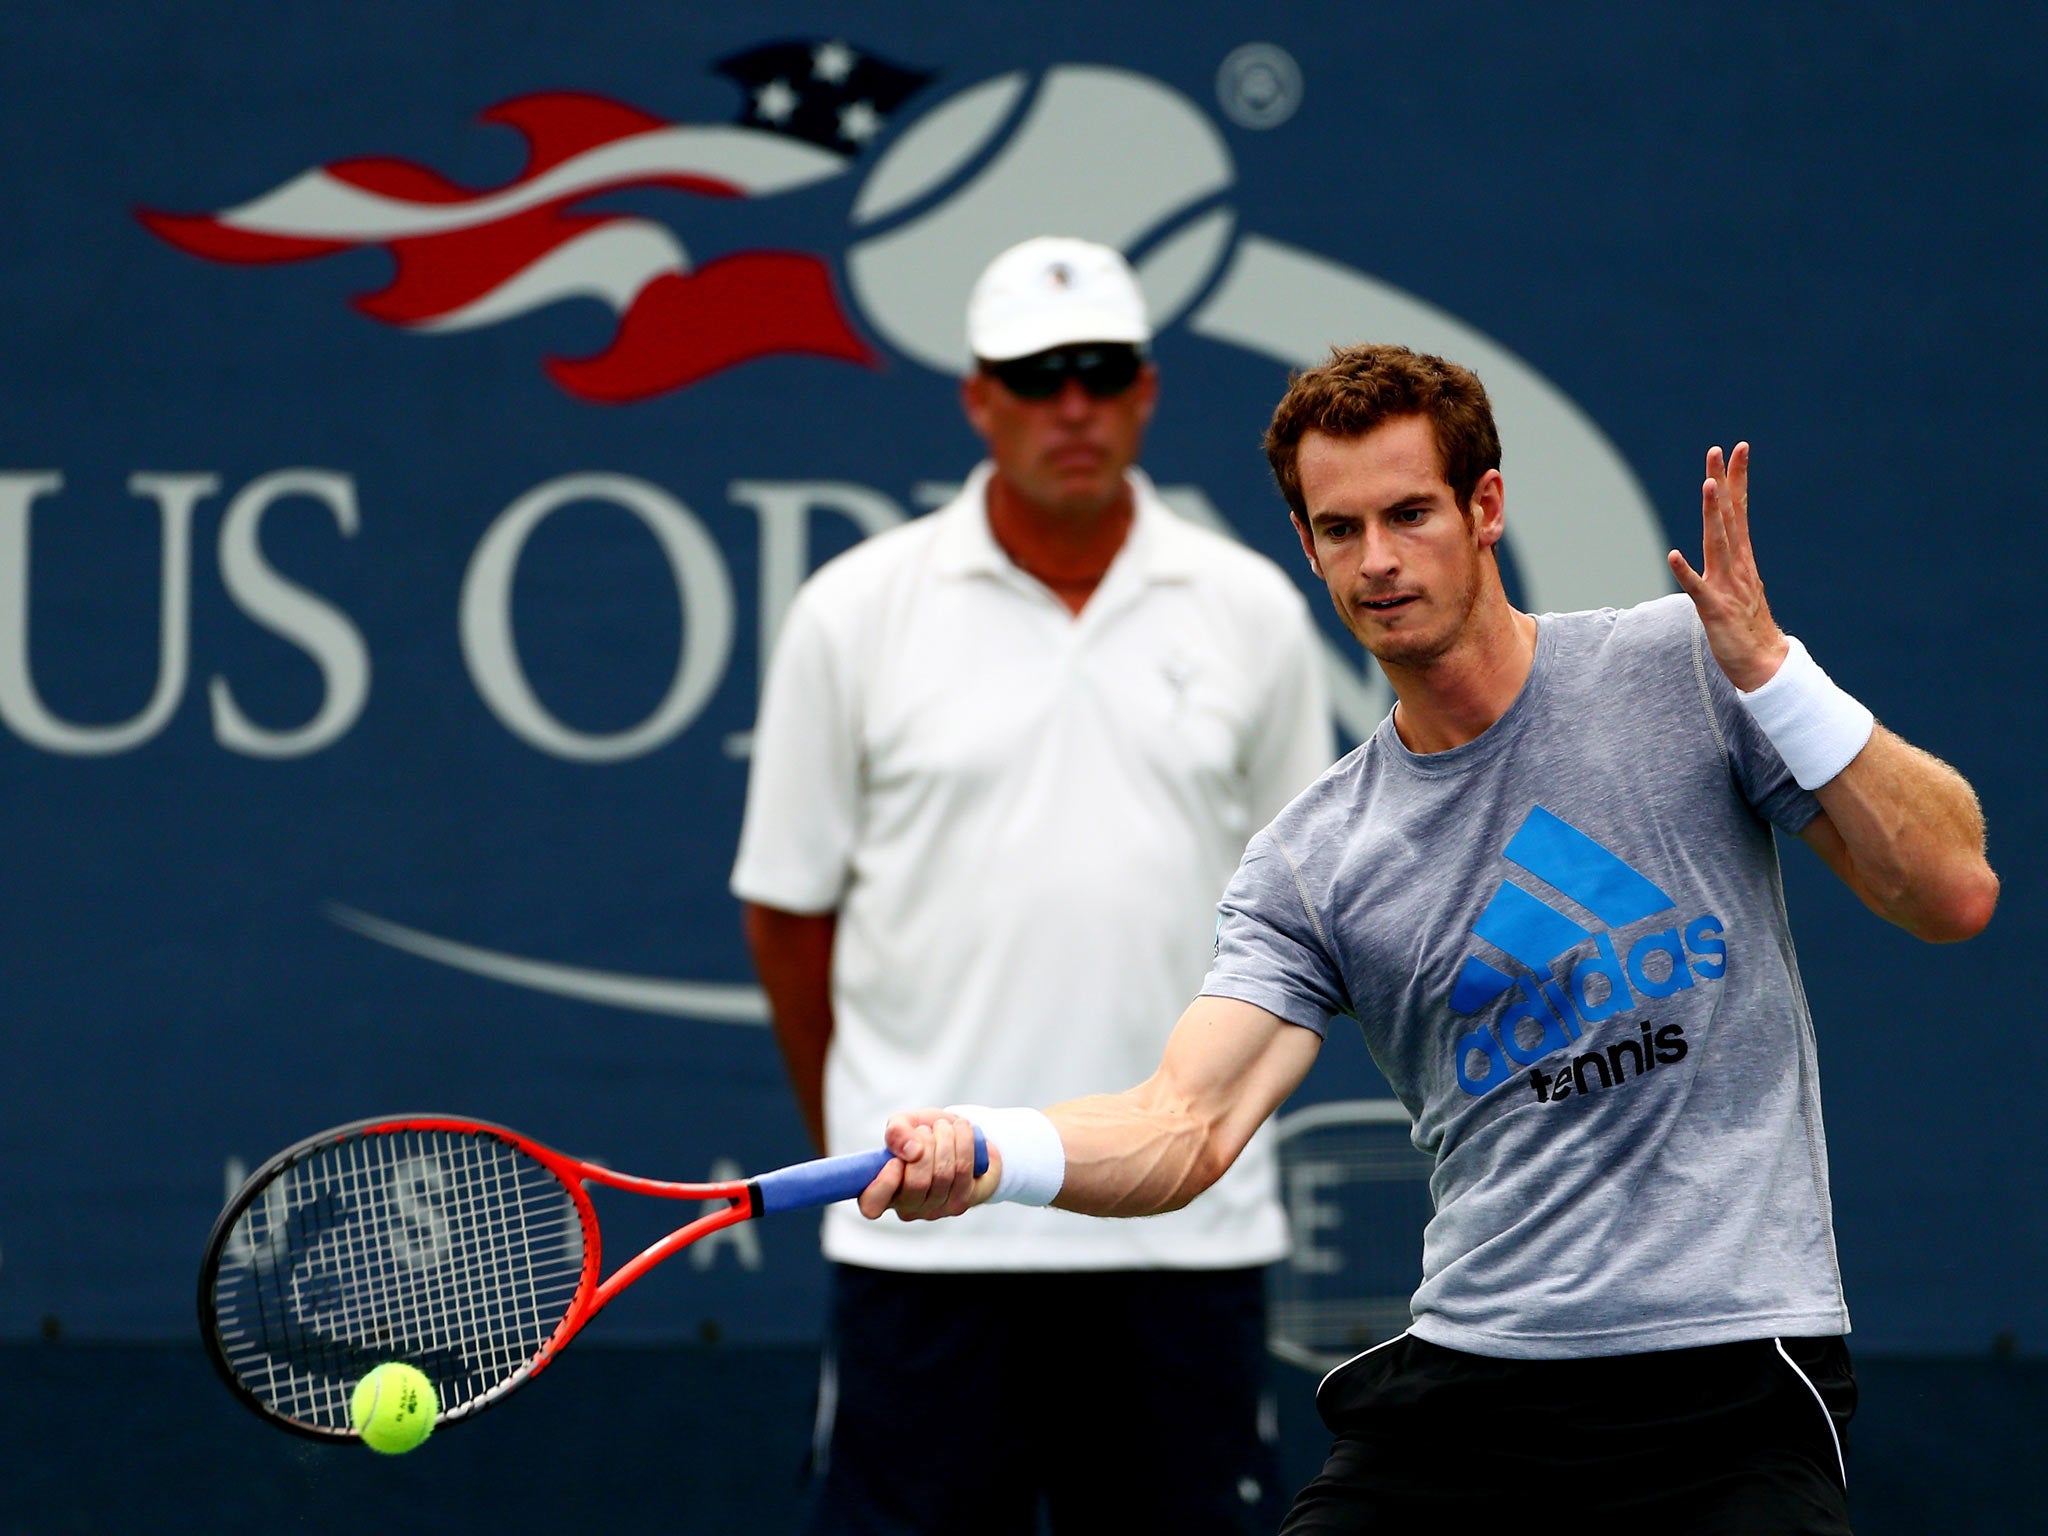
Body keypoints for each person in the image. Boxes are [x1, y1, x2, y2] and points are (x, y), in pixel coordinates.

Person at [863, 344, 1999, 1534]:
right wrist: (989, 1149)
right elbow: (1183, 1125)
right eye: (1339, 529)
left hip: (1726, 1384)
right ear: (1305, 547)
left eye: (1409, 514)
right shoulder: (1311, 861)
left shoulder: (1685, 669)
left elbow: (1948, 891)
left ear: (1485, 506)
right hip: (1472, 1391)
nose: (1379, 562)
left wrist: (1771, 673)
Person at [729, 236, 1335, 1534]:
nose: (1075, 405)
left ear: (1147, 390)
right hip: (933, 1247)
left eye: (1102, 371)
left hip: (1184, 1239)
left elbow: (1306, 917)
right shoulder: (854, 611)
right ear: (979, 396)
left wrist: (1201, 1131)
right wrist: (882, 1127)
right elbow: (789, 917)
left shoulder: (1250, 612)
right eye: (1039, 373)